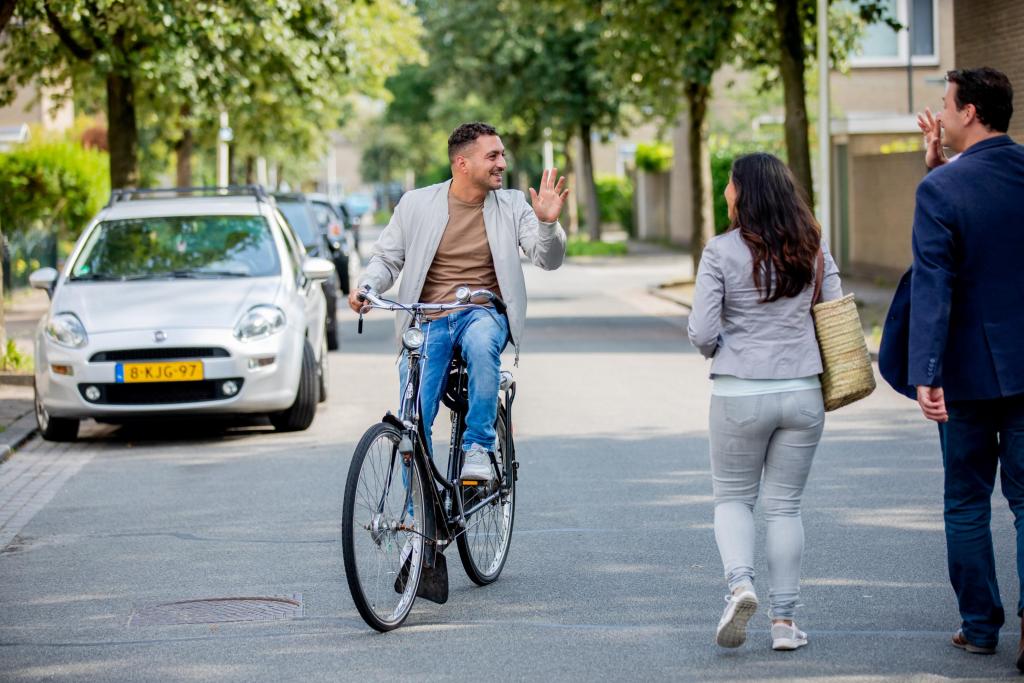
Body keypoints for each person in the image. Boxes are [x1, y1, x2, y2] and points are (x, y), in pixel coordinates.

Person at [349, 122, 567, 481]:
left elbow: (548, 259)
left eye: (502, 154)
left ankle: (479, 445)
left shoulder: (512, 205)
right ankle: (414, 521)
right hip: (429, 319)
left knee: (482, 345)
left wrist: (547, 224)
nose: (502, 163)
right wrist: (367, 287)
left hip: (483, 312)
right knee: (411, 425)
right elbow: (387, 259)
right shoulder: (416, 204)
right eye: (492, 156)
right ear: (462, 163)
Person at [687, 152, 842, 651]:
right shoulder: (813, 248)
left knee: (733, 498)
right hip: (802, 392)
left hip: (739, 392)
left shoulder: (720, 251)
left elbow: (703, 331)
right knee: (785, 508)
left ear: (745, 193)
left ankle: (740, 586)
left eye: (731, 185)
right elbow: (833, 314)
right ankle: (784, 623)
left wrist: (720, 347)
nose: (727, 192)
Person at [906, 67, 1024, 669]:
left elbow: (936, 284)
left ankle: (979, 627)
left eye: (947, 107)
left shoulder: (942, 191)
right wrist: (939, 165)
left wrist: (925, 369)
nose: (941, 117)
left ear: (971, 111)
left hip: (966, 375)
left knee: (967, 502)